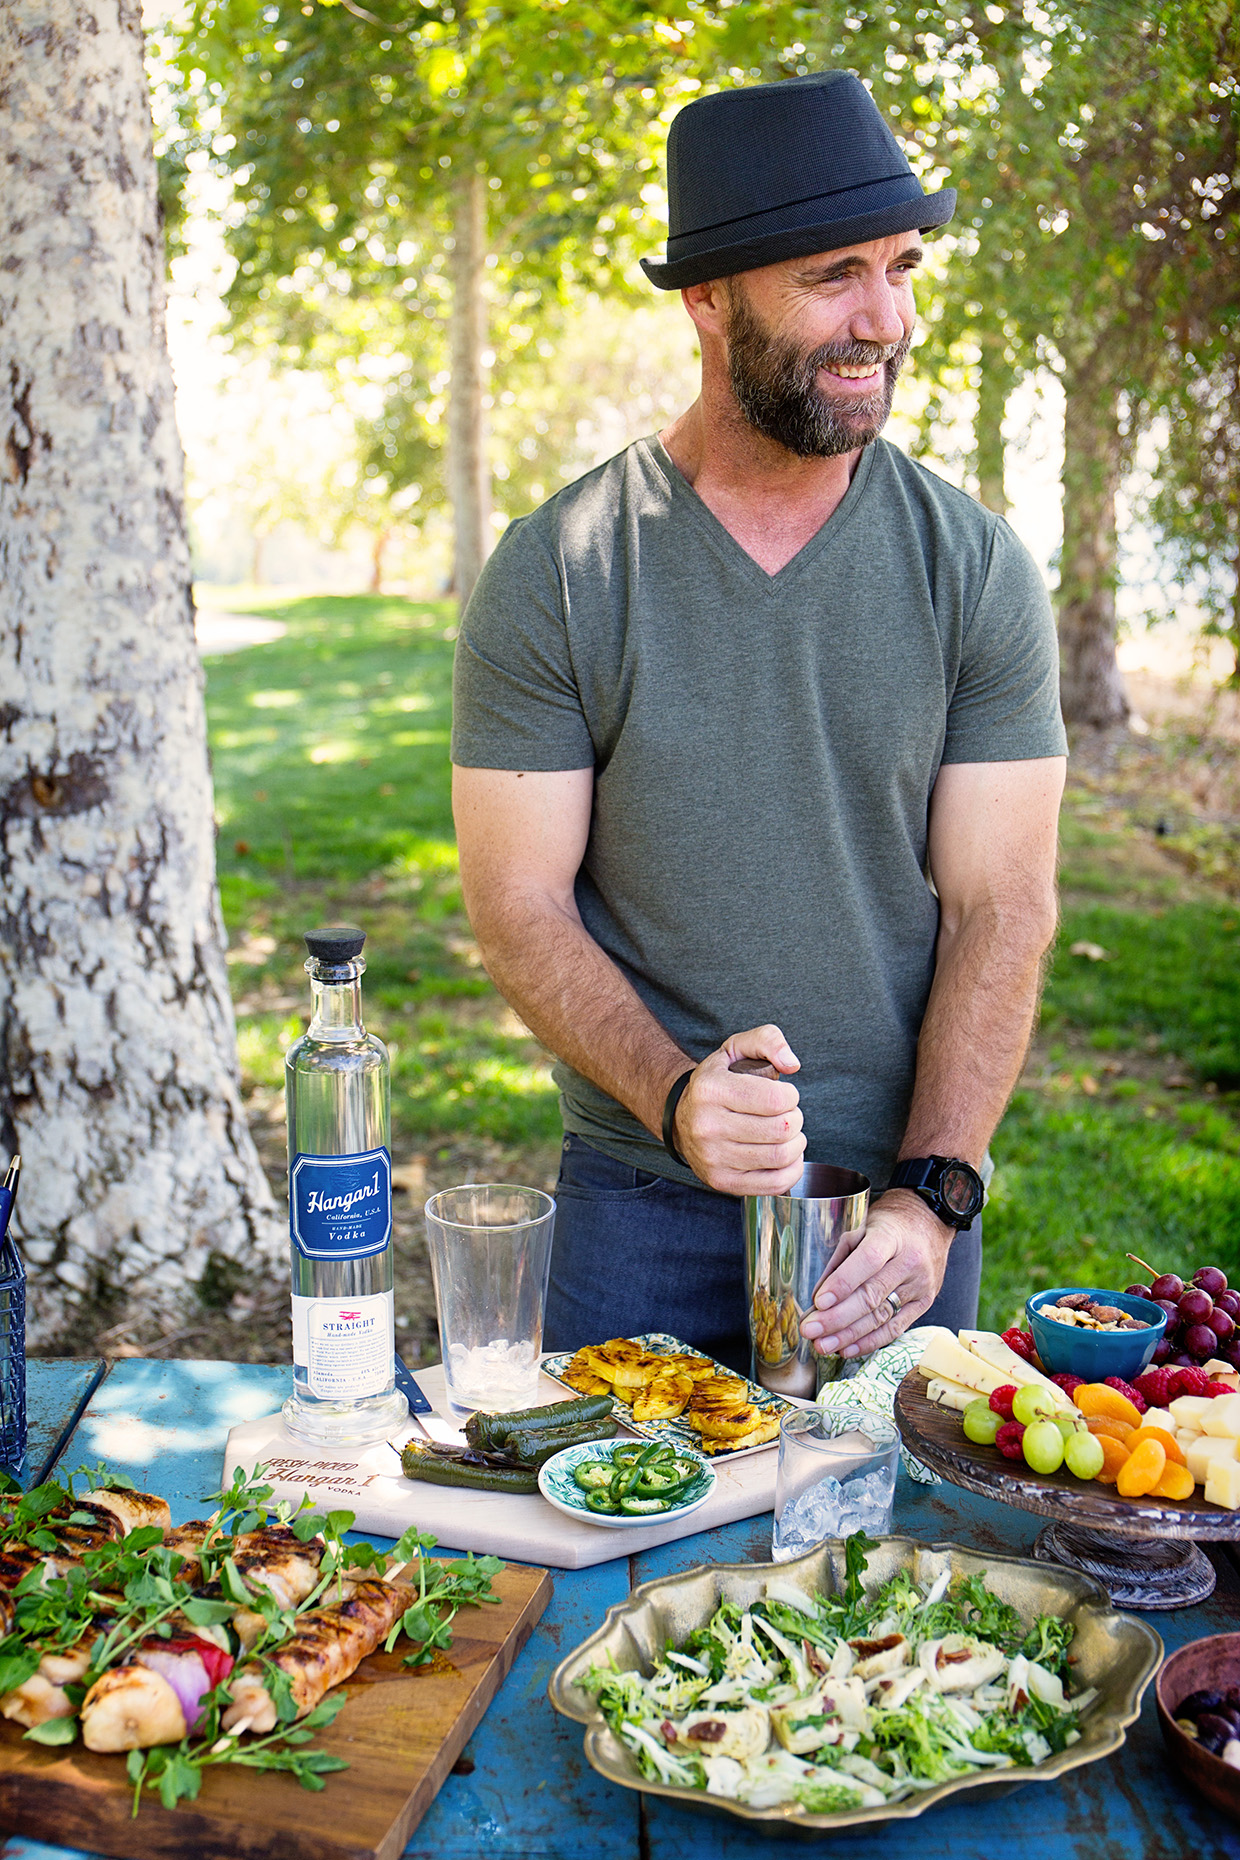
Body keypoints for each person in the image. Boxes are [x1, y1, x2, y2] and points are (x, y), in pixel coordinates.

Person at [450, 72, 1068, 1375]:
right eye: (833, 276)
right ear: (707, 298)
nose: (886, 320)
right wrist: (675, 1098)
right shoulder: (562, 567)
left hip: (890, 1228)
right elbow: (519, 904)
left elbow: (1001, 904)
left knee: (896, 1577)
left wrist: (935, 1192)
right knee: (616, 1568)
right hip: (637, 1200)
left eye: (901, 269)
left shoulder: (976, 567)